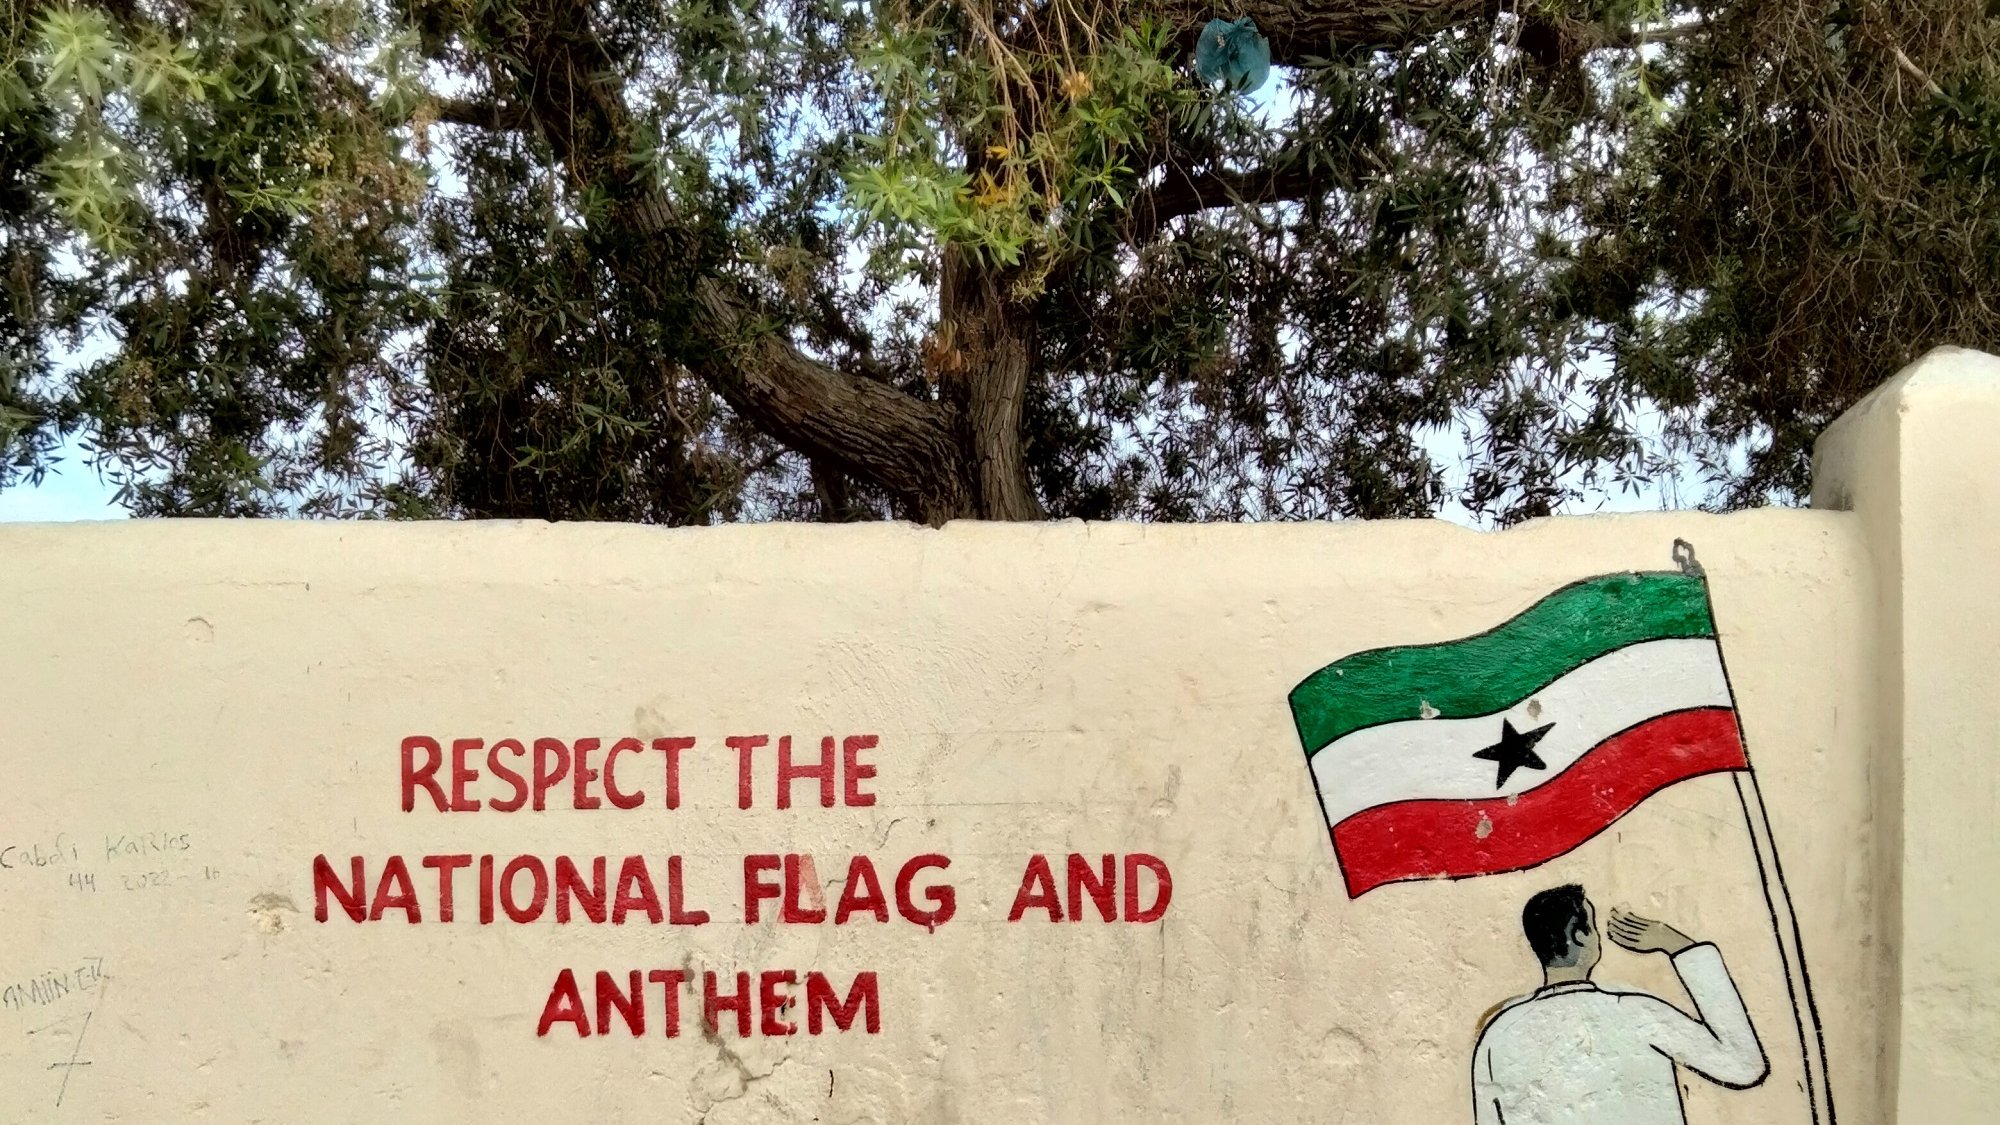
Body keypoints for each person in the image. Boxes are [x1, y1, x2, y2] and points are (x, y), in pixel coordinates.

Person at [1471, 884, 1767, 1125]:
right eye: (1594, 926)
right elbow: (1743, 1064)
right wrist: (1677, 944)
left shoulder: (1498, 1035)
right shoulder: (1635, 1013)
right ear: (1580, 935)